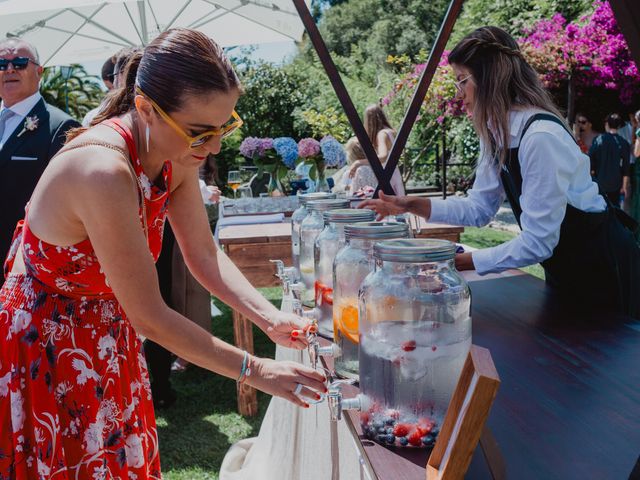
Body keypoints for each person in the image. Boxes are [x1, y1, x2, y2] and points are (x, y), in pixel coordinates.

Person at [0, 28, 325, 478]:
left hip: (109, 333)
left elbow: (204, 256)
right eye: (200, 132)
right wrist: (257, 370)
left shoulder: (174, 154)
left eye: (223, 128)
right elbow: (150, 315)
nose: (213, 147)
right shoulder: (102, 170)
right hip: (48, 343)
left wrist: (269, 319)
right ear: (146, 109)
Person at [360, 26, 640, 318]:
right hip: (569, 270)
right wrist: (409, 205)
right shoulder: (497, 134)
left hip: (606, 271)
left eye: (462, 82)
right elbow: (479, 209)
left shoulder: (539, 137)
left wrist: (453, 261)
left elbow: (537, 243)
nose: (460, 96)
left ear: (489, 78)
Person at [0, 38, 80, 281]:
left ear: (39, 71)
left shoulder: (61, 126)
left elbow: (64, 203)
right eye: (2, 63)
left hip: (24, 267)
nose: (10, 69)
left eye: (20, 62)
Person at [348, 105, 405, 195]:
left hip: (387, 176)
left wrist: (358, 162)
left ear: (370, 121)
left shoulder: (382, 134)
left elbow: (383, 157)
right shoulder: (391, 131)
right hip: (395, 174)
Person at [589, 113, 631, 206]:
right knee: (614, 210)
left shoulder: (598, 139)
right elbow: (626, 168)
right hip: (616, 184)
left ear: (607, 124)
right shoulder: (623, 143)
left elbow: (590, 160)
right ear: (619, 126)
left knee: (600, 208)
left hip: (599, 182)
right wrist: (624, 187)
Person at [81, 55, 116, 127]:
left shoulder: (93, 115)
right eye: (109, 88)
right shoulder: (93, 115)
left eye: (111, 88)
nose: (111, 93)